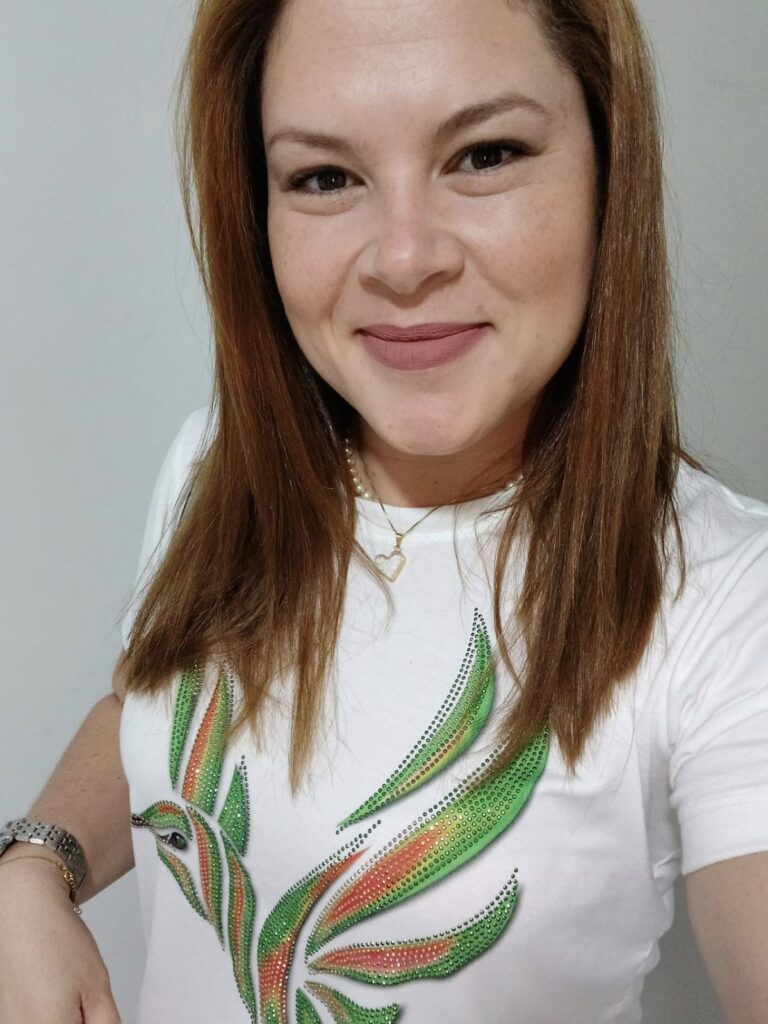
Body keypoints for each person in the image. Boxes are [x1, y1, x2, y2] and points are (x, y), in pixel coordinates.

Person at [1, 0, 766, 1021]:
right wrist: (34, 867)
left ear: (608, 171)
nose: (404, 259)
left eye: (486, 155)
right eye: (325, 177)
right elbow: (150, 715)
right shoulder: (218, 464)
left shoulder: (726, 600)